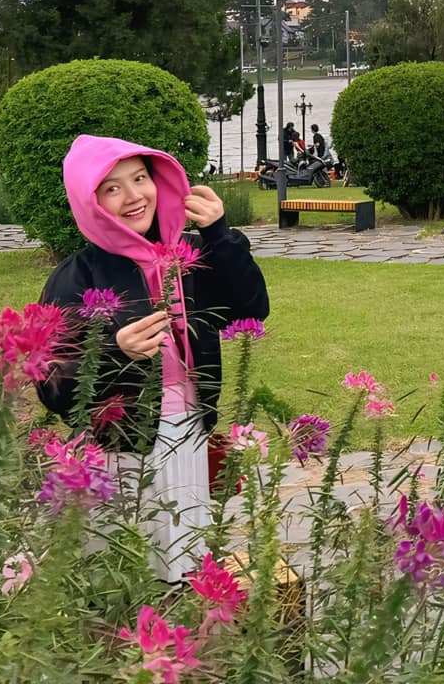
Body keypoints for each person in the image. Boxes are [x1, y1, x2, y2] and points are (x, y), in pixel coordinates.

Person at [37, 135, 270, 580]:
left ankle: (183, 625)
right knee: (127, 557)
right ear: (89, 203)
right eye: (112, 188)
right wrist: (112, 351)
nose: (133, 196)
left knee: (186, 545)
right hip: (119, 444)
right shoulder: (75, 277)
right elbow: (52, 388)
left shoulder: (191, 255)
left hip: (190, 427)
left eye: (140, 178)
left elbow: (251, 307)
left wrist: (219, 235)